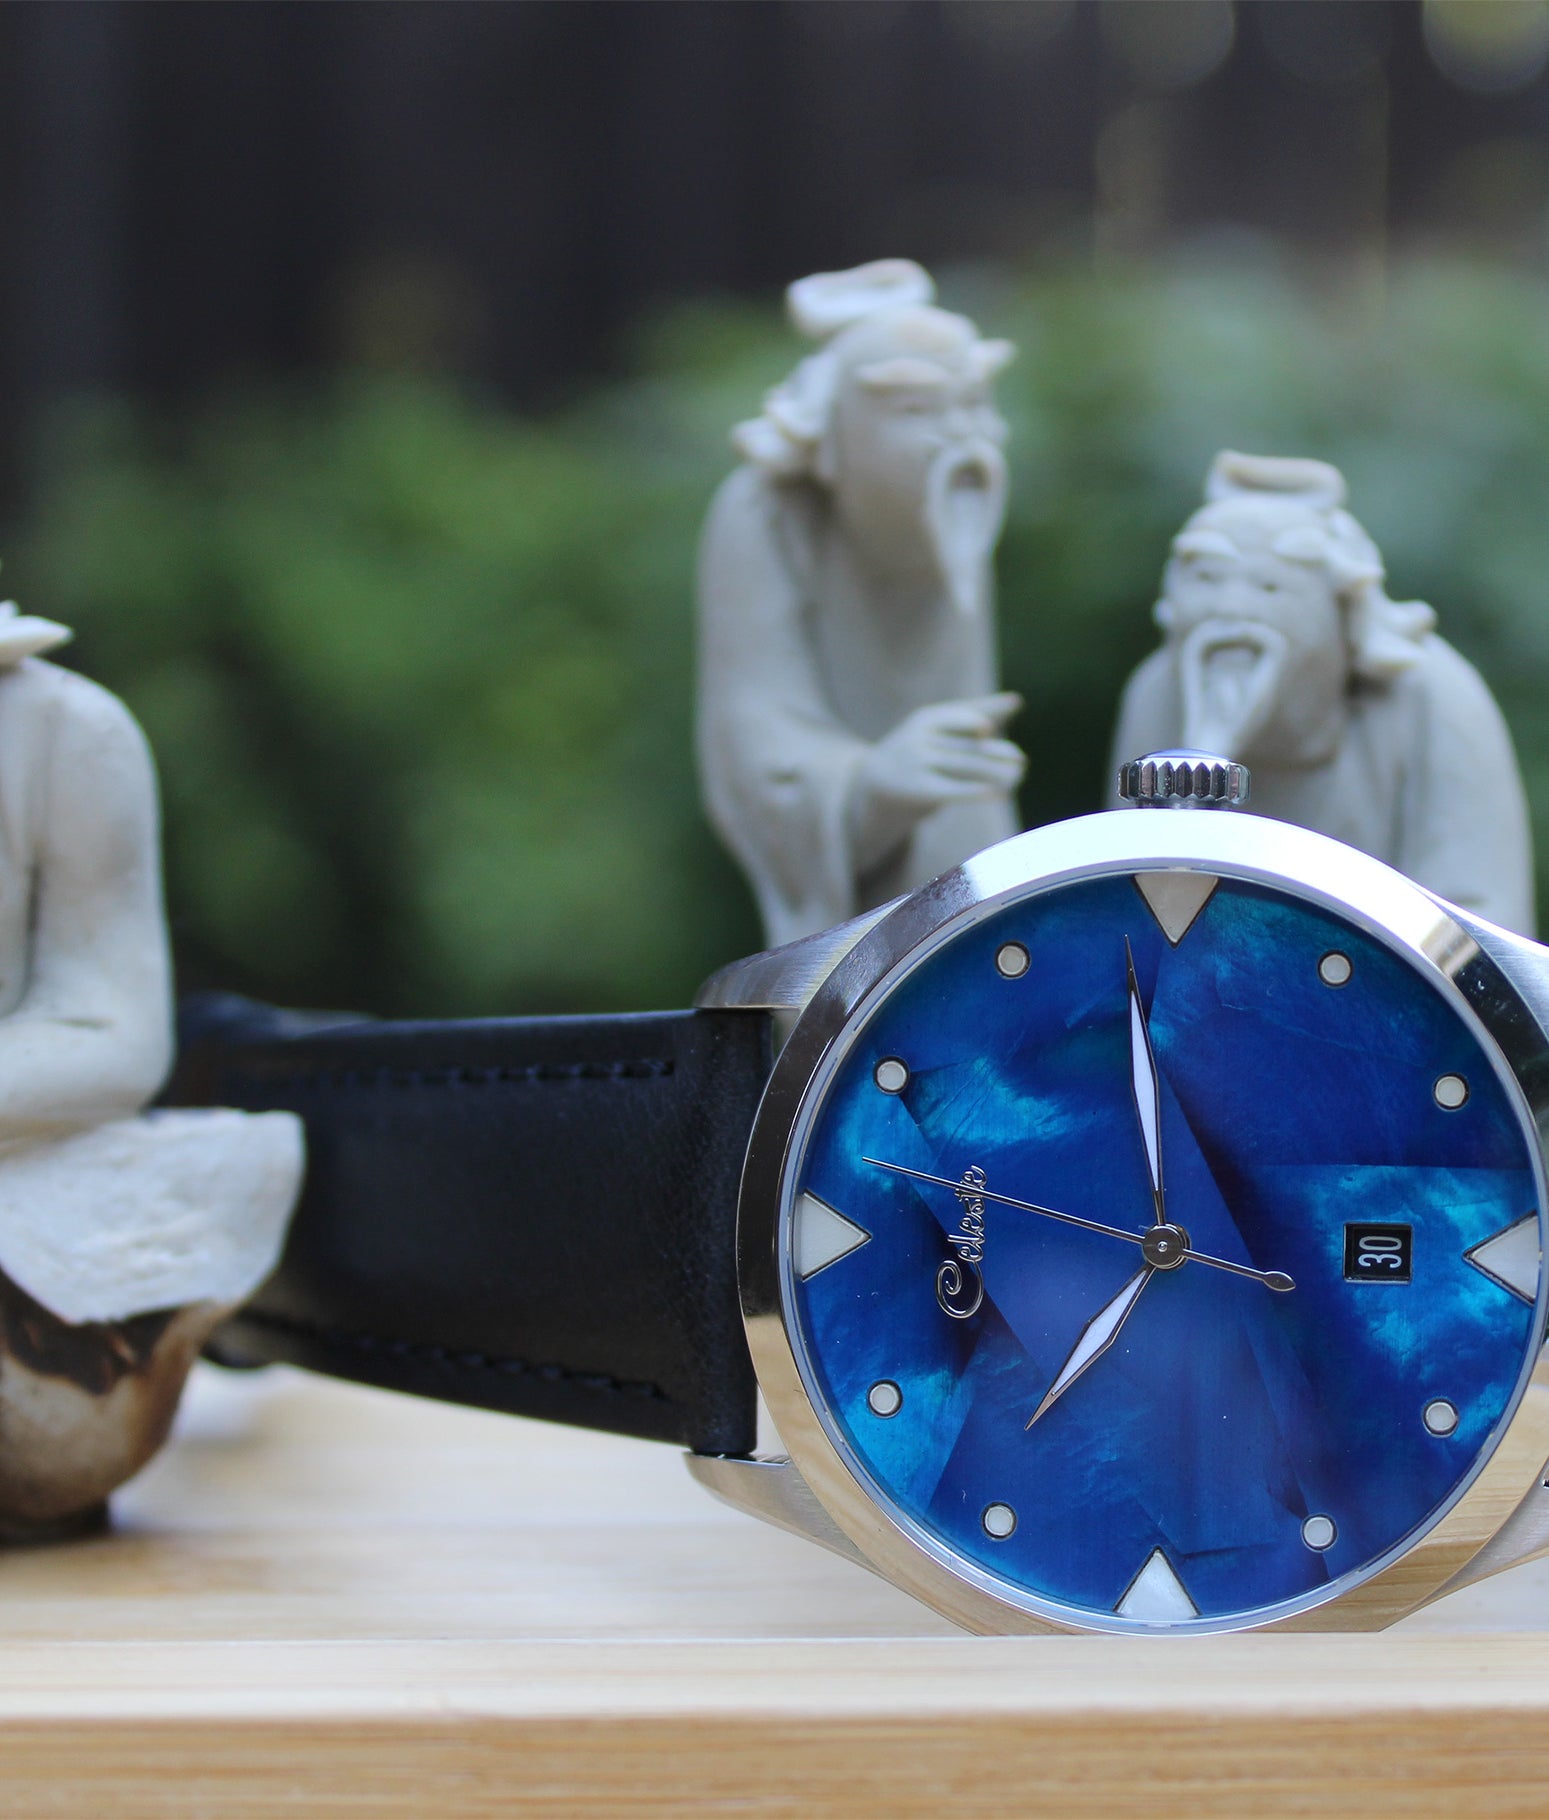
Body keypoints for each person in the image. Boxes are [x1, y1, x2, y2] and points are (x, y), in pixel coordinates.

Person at [697, 260, 1025, 949]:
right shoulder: (764, 515)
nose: (959, 435)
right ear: (832, 435)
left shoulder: (958, 514)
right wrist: (869, 787)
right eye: (916, 410)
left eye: (973, 403)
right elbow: (752, 736)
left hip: (961, 870)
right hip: (841, 919)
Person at [1107, 451, 1534, 935]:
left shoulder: (1429, 696)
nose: (1230, 608)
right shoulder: (1159, 693)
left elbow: (1483, 925)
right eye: (1206, 580)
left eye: (1270, 587)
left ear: (1341, 612)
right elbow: (1126, 899)